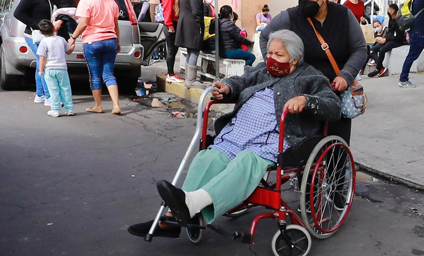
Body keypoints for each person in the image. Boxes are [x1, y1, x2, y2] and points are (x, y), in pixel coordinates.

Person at [127, 30, 341, 237]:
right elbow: (242, 81)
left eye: (279, 55)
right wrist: (228, 87)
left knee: (247, 162)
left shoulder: (311, 77)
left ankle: (190, 205)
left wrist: (306, 100)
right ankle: (173, 217)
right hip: (239, 133)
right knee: (207, 158)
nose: (272, 59)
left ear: (295, 59)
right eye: (269, 54)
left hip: (275, 139)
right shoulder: (263, 71)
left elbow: (333, 107)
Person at [260, 0, 367, 145]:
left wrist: (346, 75)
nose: (304, 1)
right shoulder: (290, 17)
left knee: (336, 147)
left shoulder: (343, 15)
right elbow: (265, 37)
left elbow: (360, 49)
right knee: (305, 149)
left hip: (334, 93)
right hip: (302, 93)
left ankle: (338, 171)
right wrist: (274, 64)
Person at [69, 0, 122, 115]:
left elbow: (83, 23)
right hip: (110, 39)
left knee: (95, 74)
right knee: (109, 74)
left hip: (92, 41)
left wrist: (73, 37)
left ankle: (98, 105)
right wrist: (118, 41)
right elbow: (115, 24)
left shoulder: (85, 1)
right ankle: (116, 105)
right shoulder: (111, 1)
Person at [14, 0, 61, 105]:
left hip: (47, 36)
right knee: (44, 62)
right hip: (33, 35)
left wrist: (59, 22)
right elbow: (18, 13)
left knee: (41, 64)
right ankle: (48, 96)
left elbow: (59, 13)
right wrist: (36, 25)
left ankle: (39, 94)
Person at [37, 19, 75, 117]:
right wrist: (72, 45)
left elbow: (42, 57)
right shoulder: (61, 39)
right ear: (54, 28)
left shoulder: (43, 42)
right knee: (65, 88)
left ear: (41, 32)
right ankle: (69, 109)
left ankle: (55, 109)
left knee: (53, 90)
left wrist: (41, 70)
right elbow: (68, 51)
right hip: (62, 68)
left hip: (49, 69)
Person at [175, 0, 206, 88]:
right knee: (194, 50)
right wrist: (199, 23)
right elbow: (196, 10)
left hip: (185, 23)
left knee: (190, 50)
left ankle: (189, 77)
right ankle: (191, 79)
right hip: (193, 24)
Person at [367, 4, 406, 78]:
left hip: (397, 40)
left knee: (382, 50)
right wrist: (384, 38)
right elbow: (390, 31)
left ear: (395, 11)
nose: (389, 11)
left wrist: (386, 39)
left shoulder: (399, 20)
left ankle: (378, 69)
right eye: (389, 10)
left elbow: (398, 36)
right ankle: (381, 68)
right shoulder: (390, 19)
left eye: (391, 10)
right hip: (389, 38)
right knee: (372, 50)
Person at [162, 0, 185, 84]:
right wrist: (170, 26)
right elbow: (167, 12)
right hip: (171, 25)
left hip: (175, 24)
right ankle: (170, 74)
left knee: (173, 50)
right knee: (172, 50)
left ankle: (171, 73)